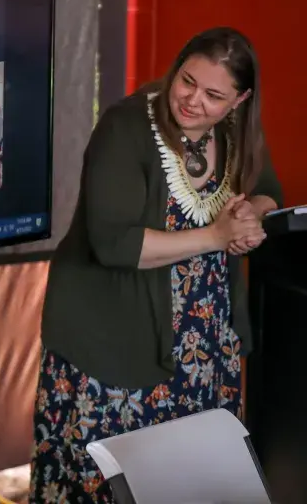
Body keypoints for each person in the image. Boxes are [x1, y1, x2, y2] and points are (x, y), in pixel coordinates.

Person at [31, 28, 283, 503]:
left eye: (213, 95)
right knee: (109, 486)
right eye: (187, 81)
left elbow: (269, 190)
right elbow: (115, 244)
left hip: (204, 347)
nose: (192, 101)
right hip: (113, 345)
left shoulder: (235, 130)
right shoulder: (126, 127)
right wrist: (217, 236)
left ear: (239, 100)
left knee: (191, 483)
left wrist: (253, 215)